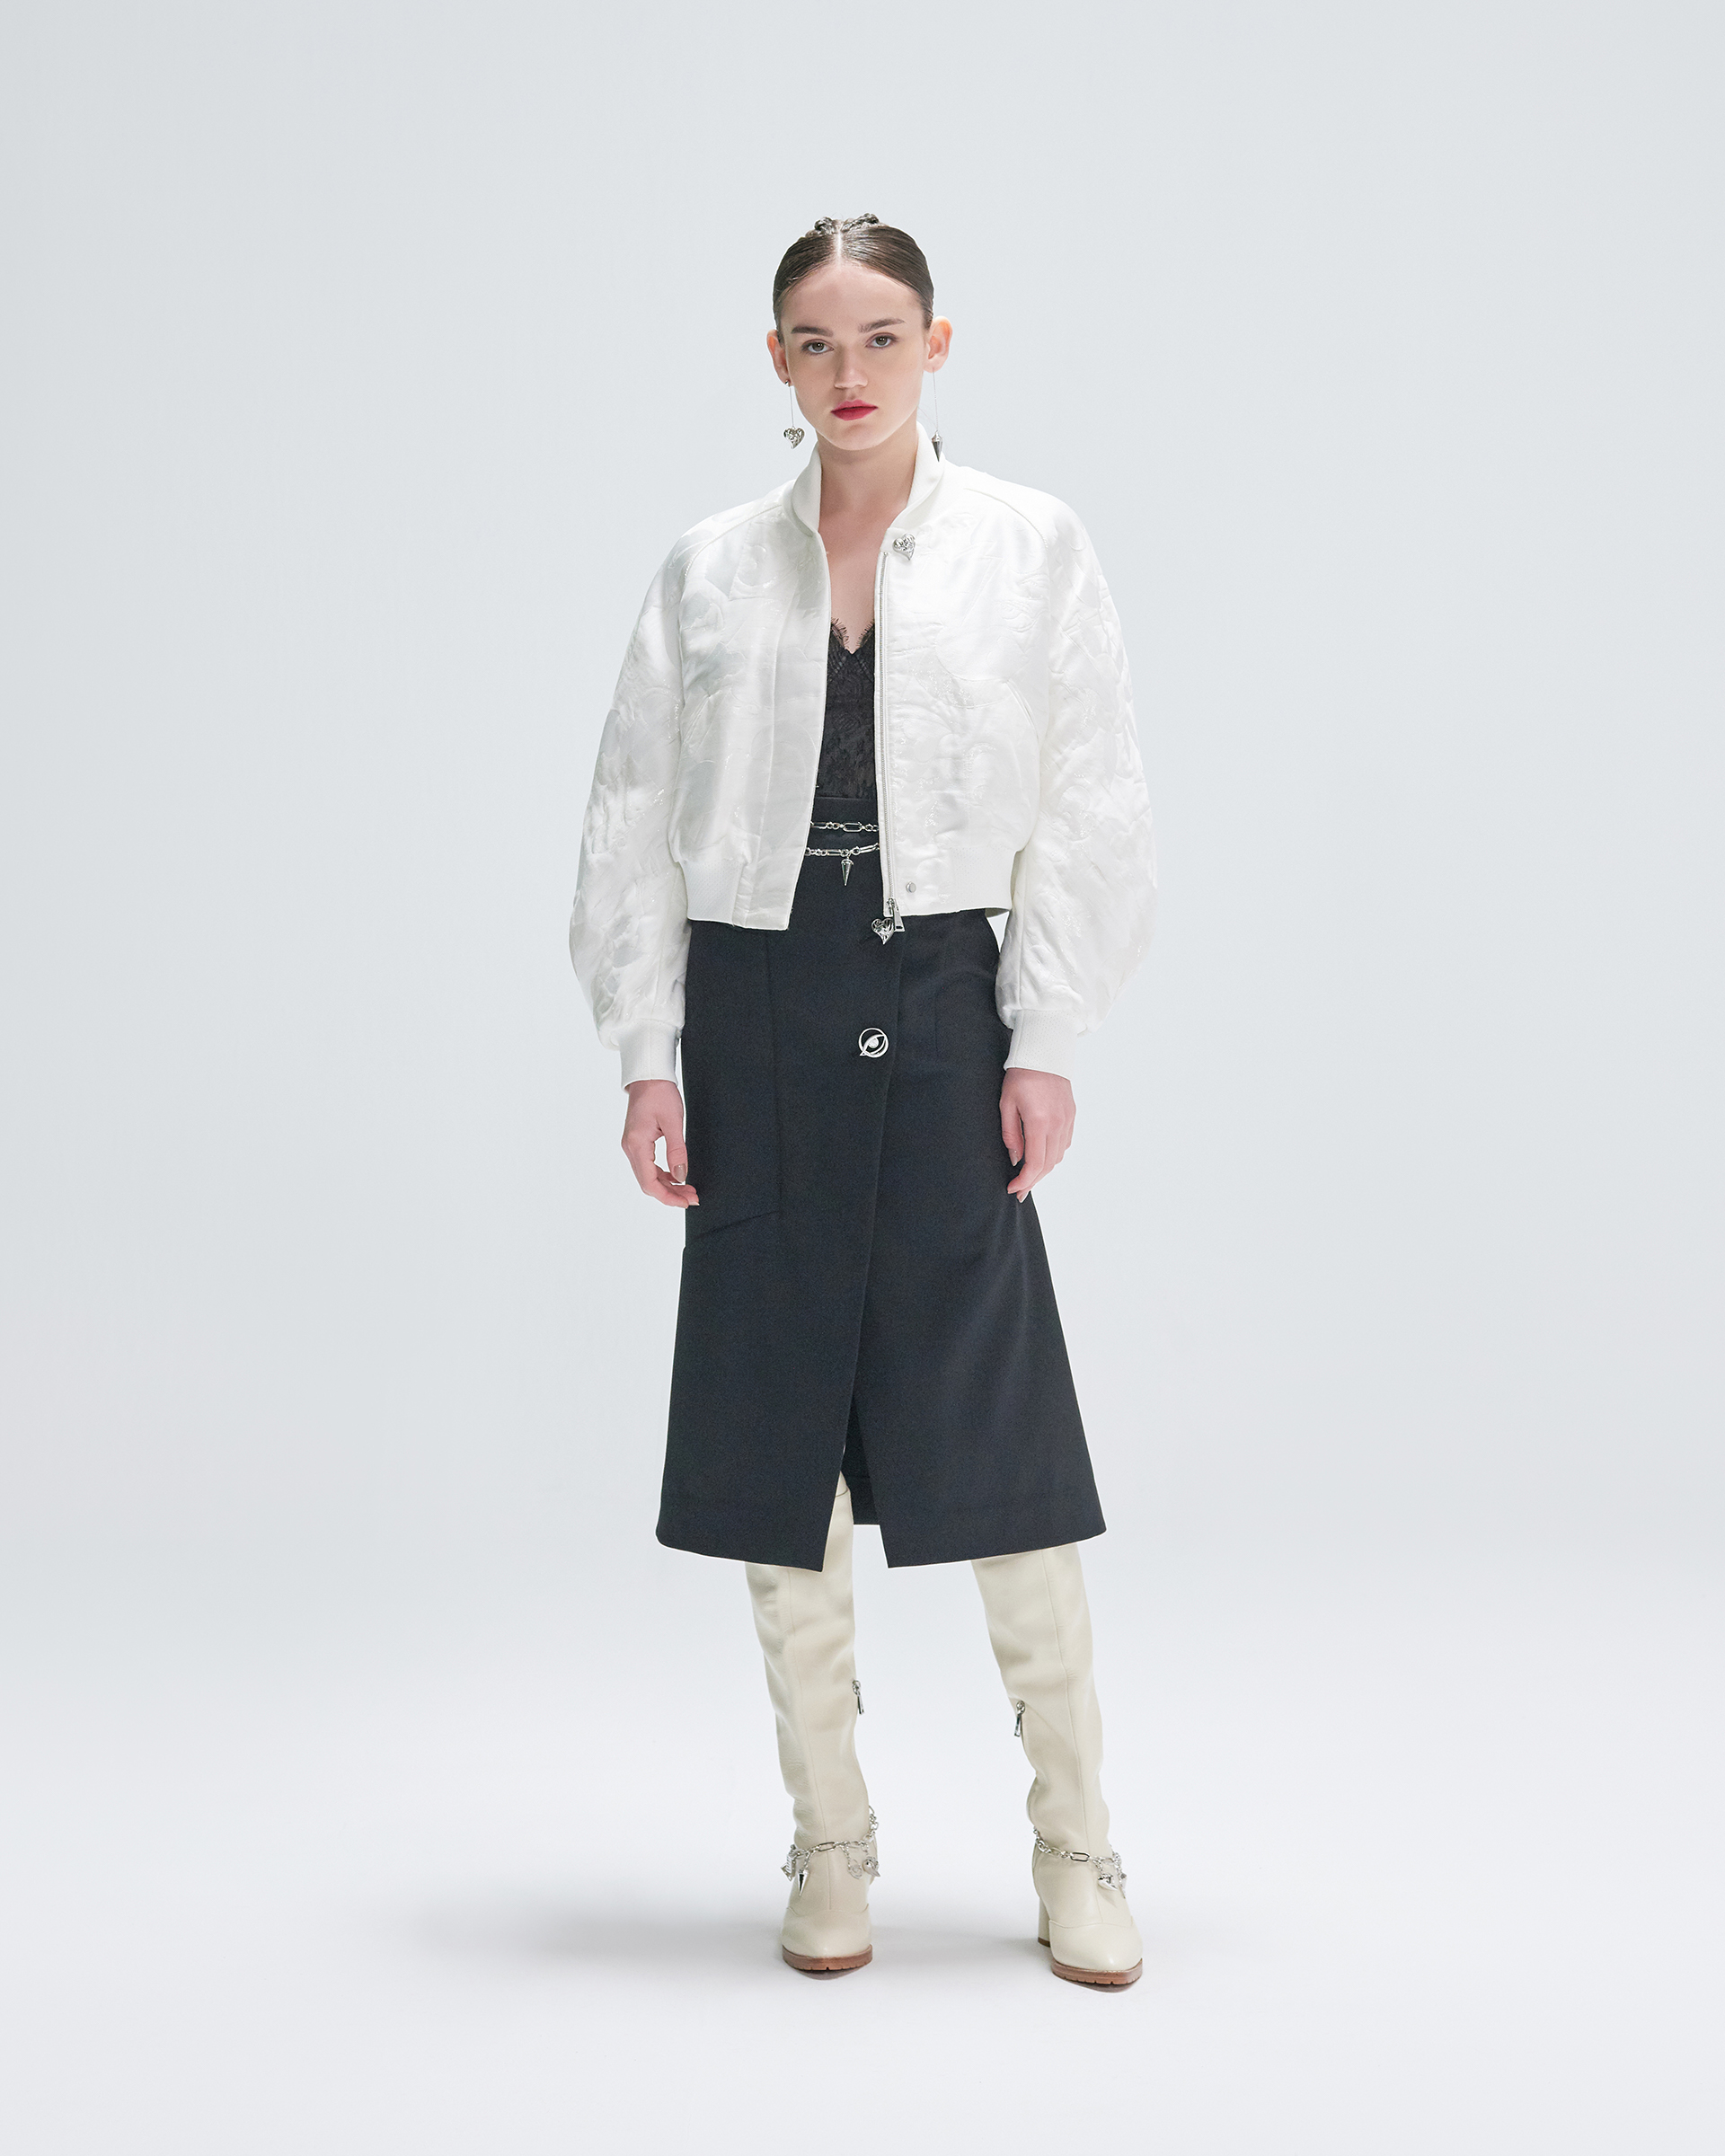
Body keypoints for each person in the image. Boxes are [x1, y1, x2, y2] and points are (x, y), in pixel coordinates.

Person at [570, 214, 1155, 1985]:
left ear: (936, 345)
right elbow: (631, 812)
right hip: (755, 1006)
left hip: (948, 996)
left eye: (882, 337)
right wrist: (649, 1050)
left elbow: (1093, 794)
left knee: (999, 1435)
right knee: (779, 1447)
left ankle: (1078, 1845)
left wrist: (1046, 1033)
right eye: (816, 343)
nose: (851, 373)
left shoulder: (1028, 547)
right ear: (776, 360)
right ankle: (829, 1844)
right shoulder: (707, 571)